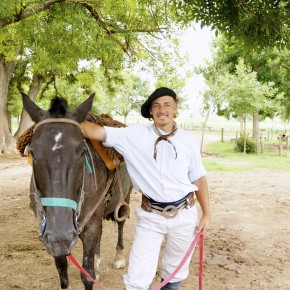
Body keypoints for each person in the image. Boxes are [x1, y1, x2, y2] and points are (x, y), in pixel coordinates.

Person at [81, 87, 210, 290]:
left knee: (175, 274)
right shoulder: (133, 135)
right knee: (137, 281)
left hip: (186, 215)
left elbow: (199, 178)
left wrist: (206, 214)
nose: (161, 110)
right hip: (151, 217)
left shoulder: (188, 140)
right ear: (151, 112)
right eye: (156, 106)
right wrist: (61, 119)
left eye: (167, 105)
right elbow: (94, 131)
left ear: (175, 109)